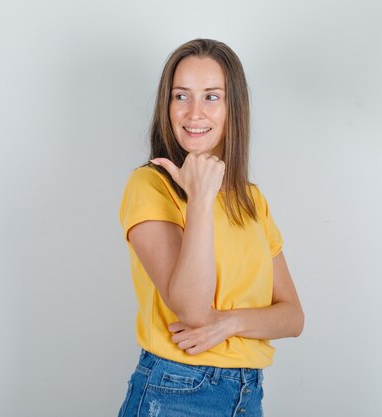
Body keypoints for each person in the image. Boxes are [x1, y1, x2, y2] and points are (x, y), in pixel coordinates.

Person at [117, 39, 304, 417]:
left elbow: (293, 317)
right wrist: (200, 200)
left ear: (233, 107)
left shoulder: (251, 200)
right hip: (175, 390)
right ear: (166, 106)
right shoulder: (149, 186)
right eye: (181, 96)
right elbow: (192, 310)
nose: (194, 113)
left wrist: (229, 322)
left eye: (212, 97)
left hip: (247, 394)